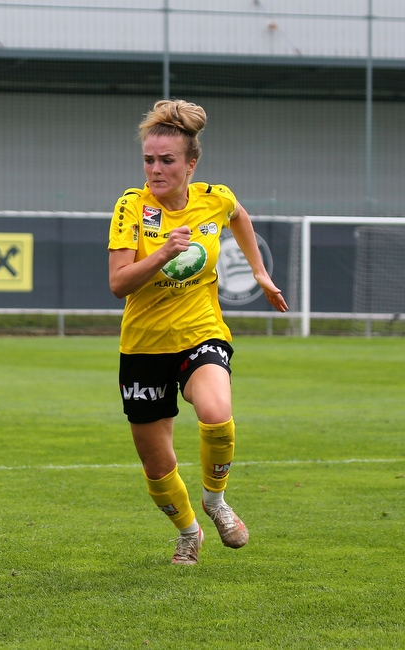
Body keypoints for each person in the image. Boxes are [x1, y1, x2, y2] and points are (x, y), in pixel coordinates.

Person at [107, 99, 288, 565]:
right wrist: (163, 253)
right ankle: (189, 531)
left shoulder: (215, 197)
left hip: (200, 332)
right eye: (148, 159)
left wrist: (259, 271)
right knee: (157, 463)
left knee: (215, 409)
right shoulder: (131, 206)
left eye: (166, 160)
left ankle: (216, 502)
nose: (155, 169)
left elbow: (239, 217)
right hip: (144, 346)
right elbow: (118, 283)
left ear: (191, 163)